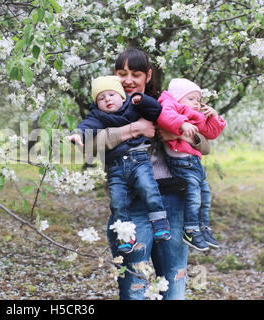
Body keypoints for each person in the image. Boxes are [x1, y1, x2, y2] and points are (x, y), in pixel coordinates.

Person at [79, 47, 210, 300]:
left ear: (148, 75)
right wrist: (133, 129)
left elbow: (204, 145)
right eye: (121, 73)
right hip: (132, 204)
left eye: (135, 73)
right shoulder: (106, 107)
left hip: (172, 201)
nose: (128, 80)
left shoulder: (164, 104)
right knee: (134, 285)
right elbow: (89, 144)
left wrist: (180, 133)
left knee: (174, 281)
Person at [66, 75, 171, 255]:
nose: (107, 100)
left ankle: (160, 222)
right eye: (101, 98)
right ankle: (124, 235)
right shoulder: (98, 117)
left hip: (138, 159)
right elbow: (87, 126)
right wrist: (78, 135)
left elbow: (157, 111)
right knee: (117, 202)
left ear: (122, 96)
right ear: (96, 103)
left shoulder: (133, 106)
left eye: (111, 95)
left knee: (149, 188)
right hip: (115, 167)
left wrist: (141, 99)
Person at [157, 78, 226, 250]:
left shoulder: (196, 115)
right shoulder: (170, 103)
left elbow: (209, 134)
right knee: (194, 196)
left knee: (205, 196)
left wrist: (214, 117)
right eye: (191, 98)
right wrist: (182, 123)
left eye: (198, 99)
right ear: (178, 97)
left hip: (194, 162)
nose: (196, 102)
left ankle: (204, 227)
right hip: (181, 161)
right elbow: (164, 115)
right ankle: (191, 229)